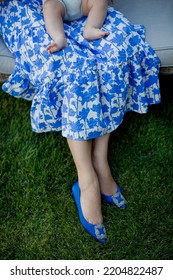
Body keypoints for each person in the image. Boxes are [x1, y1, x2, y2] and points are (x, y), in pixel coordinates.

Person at [0, 0, 161, 242]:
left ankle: (100, 160)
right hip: (26, 7)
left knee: (115, 50)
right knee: (73, 67)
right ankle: (87, 180)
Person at [42, 0, 113, 53]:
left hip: (83, 3)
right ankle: (59, 37)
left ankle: (91, 27)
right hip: (59, 4)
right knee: (49, 7)